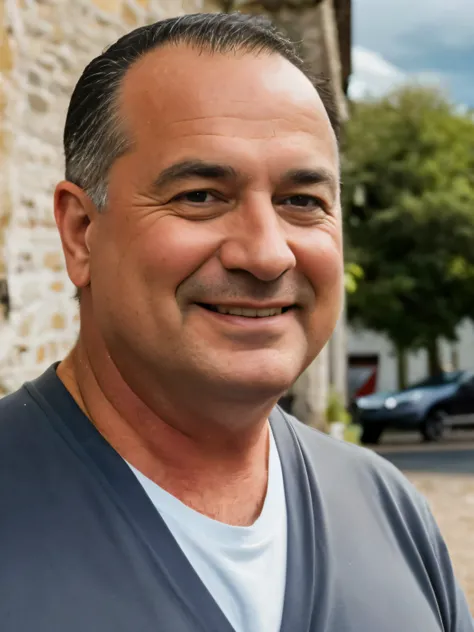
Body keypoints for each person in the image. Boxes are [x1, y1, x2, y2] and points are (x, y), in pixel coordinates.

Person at [0, 12, 471, 632]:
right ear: (82, 234)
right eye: (200, 196)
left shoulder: (389, 513)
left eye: (301, 201)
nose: (267, 253)